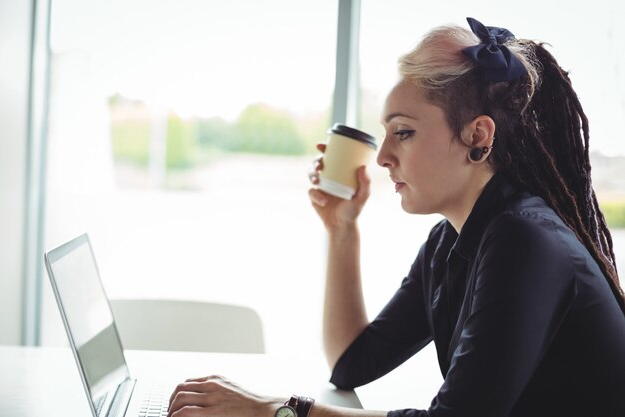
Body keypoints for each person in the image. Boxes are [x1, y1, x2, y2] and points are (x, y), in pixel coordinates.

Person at [166, 17, 625, 417]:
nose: (383, 156)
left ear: (477, 137)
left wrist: (278, 412)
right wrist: (342, 228)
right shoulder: (451, 242)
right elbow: (351, 362)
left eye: (403, 133)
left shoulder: (524, 241)